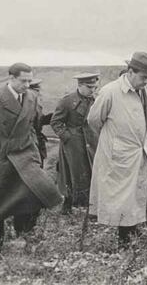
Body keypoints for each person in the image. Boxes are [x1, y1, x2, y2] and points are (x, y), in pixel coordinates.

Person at [0, 63, 62, 254]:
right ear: (11, 78)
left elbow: (32, 127)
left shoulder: (31, 97)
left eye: (30, 81)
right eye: (23, 81)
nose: (27, 85)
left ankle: (24, 238)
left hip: (26, 159)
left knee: (35, 198)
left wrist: (35, 154)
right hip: (0, 161)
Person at [87, 52, 147, 248]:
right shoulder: (110, 92)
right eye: (143, 77)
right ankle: (125, 241)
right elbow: (94, 121)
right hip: (119, 155)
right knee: (122, 198)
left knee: (140, 193)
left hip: (140, 151)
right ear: (130, 71)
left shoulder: (144, 90)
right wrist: (113, 143)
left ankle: (134, 232)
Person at [50, 73, 99, 214]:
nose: (92, 90)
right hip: (73, 145)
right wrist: (67, 137)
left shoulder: (97, 100)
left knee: (92, 172)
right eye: (89, 87)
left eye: (94, 87)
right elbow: (56, 121)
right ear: (80, 85)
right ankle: (68, 204)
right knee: (72, 174)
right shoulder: (67, 101)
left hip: (92, 141)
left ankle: (91, 206)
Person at [29, 79, 53, 168]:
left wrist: (56, 116)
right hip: (30, 144)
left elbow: (40, 121)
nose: (39, 94)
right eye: (37, 91)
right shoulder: (25, 106)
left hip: (38, 142)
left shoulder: (37, 106)